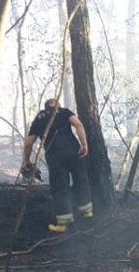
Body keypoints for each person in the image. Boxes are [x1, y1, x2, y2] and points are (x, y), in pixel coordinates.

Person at [22, 99, 93, 233]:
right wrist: (84, 144)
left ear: (46, 107)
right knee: (81, 179)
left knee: (61, 187)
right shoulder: (65, 112)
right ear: (58, 106)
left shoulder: (40, 117)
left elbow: (28, 143)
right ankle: (87, 212)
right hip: (74, 150)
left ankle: (63, 223)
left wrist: (27, 161)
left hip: (55, 155)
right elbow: (78, 124)